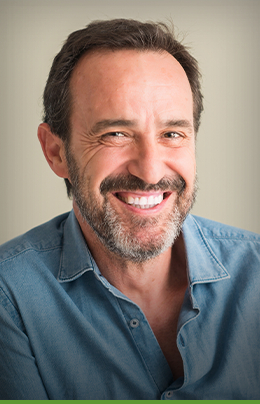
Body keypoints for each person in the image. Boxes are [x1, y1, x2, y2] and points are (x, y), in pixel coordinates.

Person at [0, 19, 259, 400]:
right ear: (56, 152)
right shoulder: (10, 299)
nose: (150, 171)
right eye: (115, 134)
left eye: (172, 134)